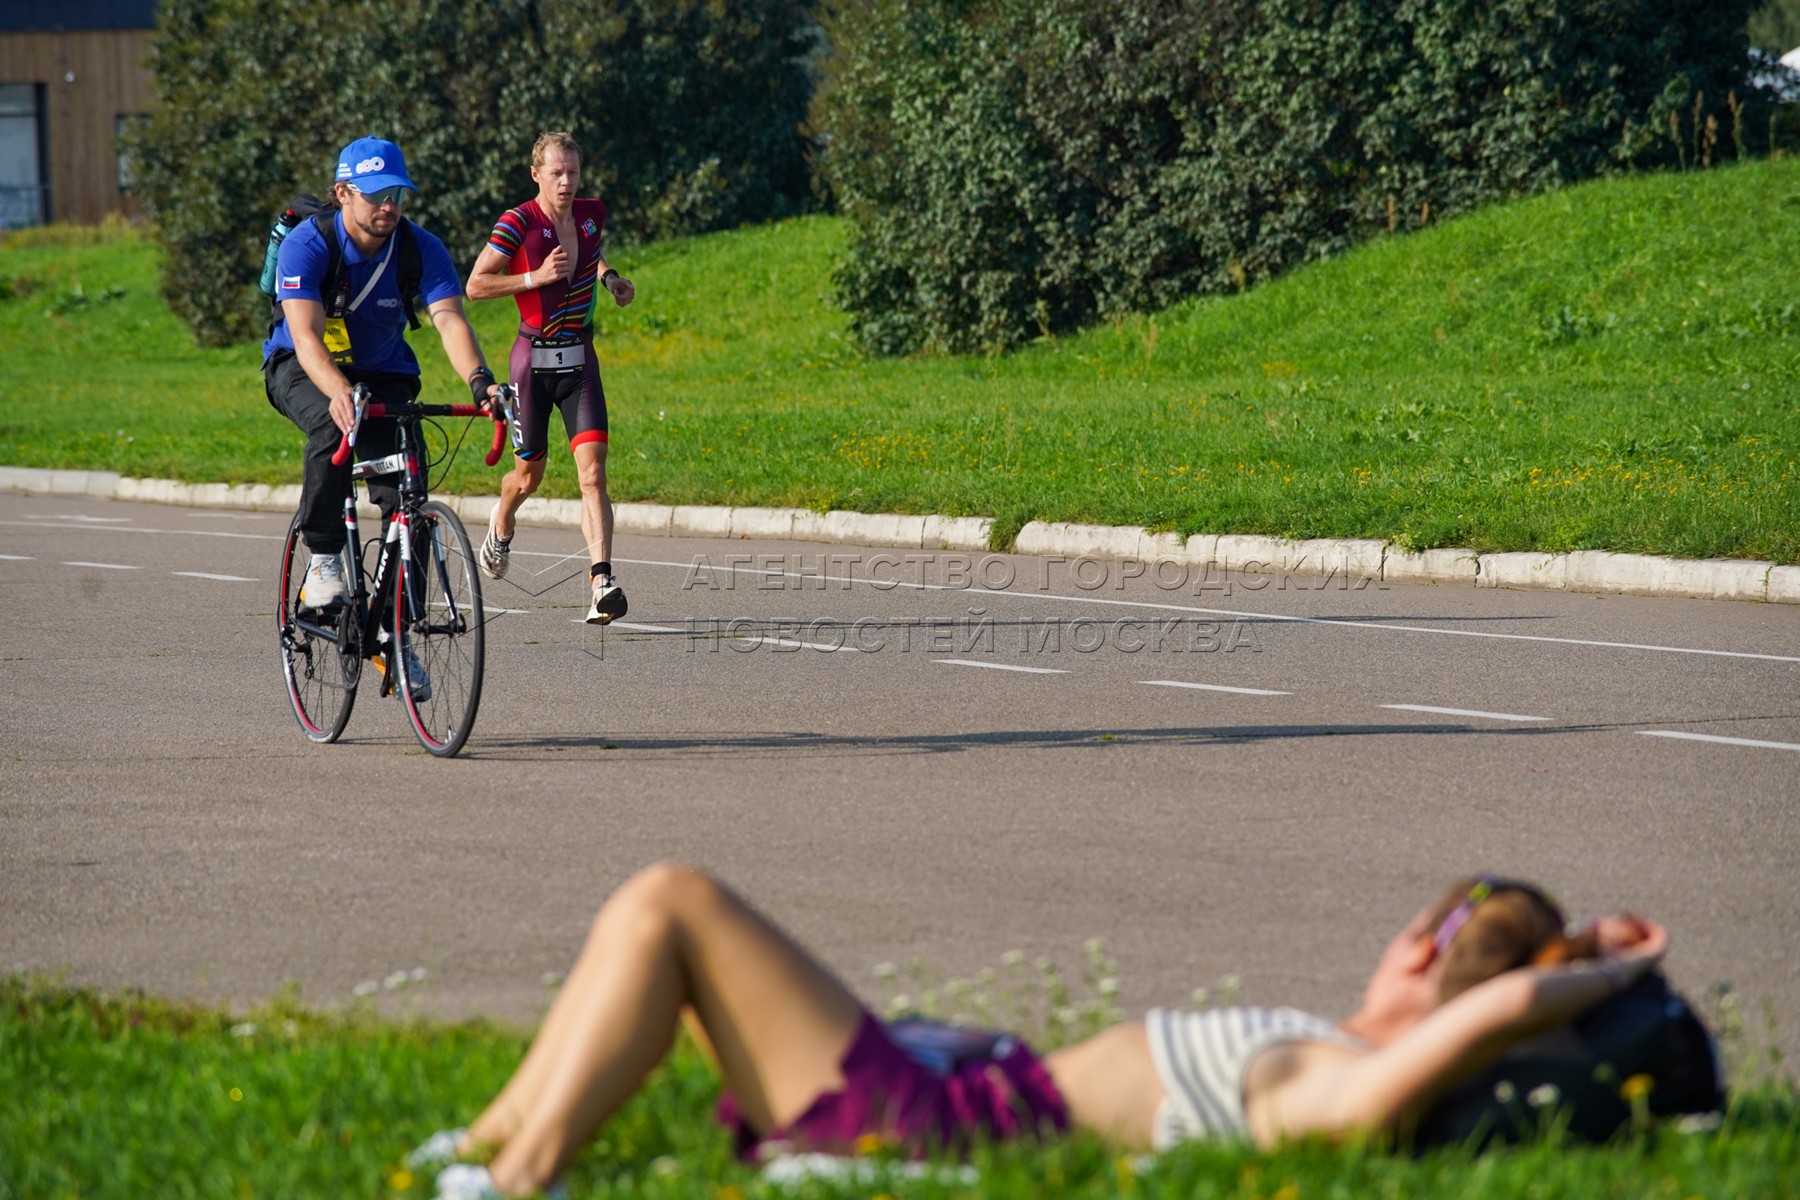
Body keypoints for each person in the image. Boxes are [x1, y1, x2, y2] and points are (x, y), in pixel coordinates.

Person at [411, 865, 1669, 1199]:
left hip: (940, 1119)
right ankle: (491, 1144)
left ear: (1435, 957)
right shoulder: (1328, 1039)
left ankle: (518, 1182)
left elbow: (1476, 1027)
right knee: (656, 907)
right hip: (948, 1084)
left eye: (1433, 923)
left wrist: (1579, 980)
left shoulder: (1339, 1083)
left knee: (672, 900)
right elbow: (1474, 1012)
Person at [264, 135, 505, 699]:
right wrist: (338, 390)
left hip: (385, 369)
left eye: (397, 194)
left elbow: (448, 319)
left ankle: (397, 633)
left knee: (409, 495)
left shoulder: (420, 247)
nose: (388, 206)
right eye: (375, 195)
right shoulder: (310, 244)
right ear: (344, 192)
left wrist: (481, 382)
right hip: (301, 366)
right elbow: (303, 335)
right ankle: (324, 558)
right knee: (333, 424)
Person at [464, 131, 635, 626]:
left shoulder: (590, 214)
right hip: (530, 364)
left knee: (593, 472)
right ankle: (502, 521)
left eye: (573, 172)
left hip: (581, 359)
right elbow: (475, 285)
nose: (566, 181)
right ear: (536, 173)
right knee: (527, 477)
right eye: (556, 172)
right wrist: (533, 278)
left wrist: (610, 279)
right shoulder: (517, 222)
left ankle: (601, 582)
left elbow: (590, 250)